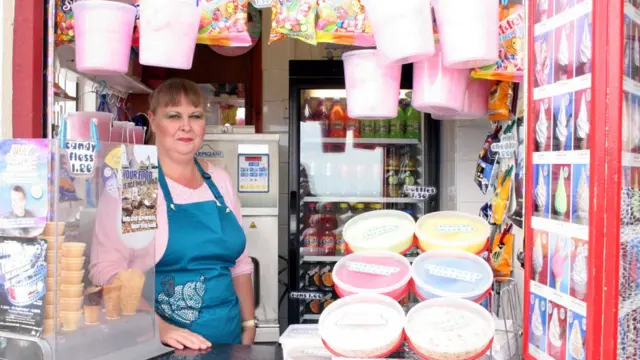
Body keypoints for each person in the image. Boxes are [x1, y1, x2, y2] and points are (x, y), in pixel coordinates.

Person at [89, 79, 255, 350]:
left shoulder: (219, 181)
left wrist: (249, 325)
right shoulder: (140, 183)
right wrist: (159, 328)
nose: (186, 126)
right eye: (174, 115)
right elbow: (108, 270)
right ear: (153, 121)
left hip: (228, 340)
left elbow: (240, 263)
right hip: (160, 345)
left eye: (195, 116)